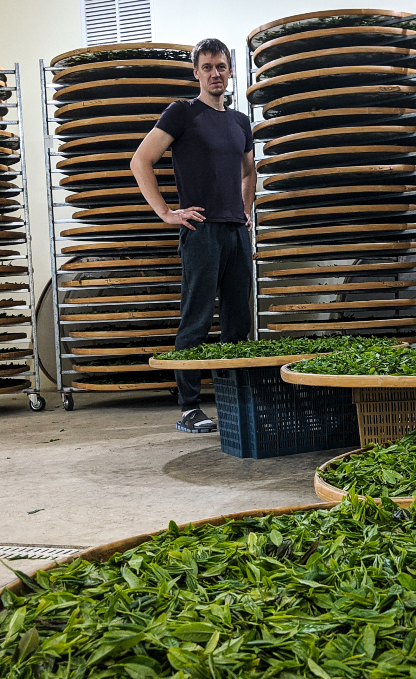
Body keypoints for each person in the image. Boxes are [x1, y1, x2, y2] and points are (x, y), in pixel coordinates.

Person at [131, 38, 256, 434]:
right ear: (196, 72)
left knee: (238, 322)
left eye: (221, 66)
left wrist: (246, 210)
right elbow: (141, 160)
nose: (215, 73)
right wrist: (166, 212)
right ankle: (189, 407)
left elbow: (248, 171)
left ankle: (235, 400)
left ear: (230, 70)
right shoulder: (182, 113)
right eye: (207, 67)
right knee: (197, 319)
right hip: (200, 231)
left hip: (236, 232)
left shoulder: (240, 122)